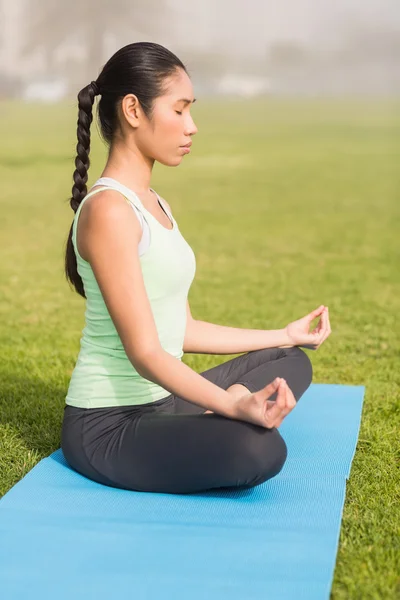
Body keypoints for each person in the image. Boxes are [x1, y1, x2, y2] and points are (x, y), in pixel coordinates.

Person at [61, 42, 331, 495]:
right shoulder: (109, 210)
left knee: (289, 360)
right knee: (260, 452)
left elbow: (182, 330)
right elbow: (146, 354)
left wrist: (285, 333)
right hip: (108, 425)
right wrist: (230, 404)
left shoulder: (155, 203)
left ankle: (211, 419)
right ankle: (219, 421)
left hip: (163, 400)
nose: (192, 126)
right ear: (133, 110)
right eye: (180, 110)